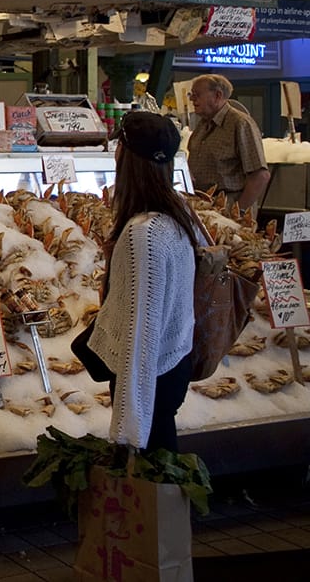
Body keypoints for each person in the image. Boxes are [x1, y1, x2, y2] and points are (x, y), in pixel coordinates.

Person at [85, 111, 199, 453]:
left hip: (152, 374)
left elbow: (141, 331)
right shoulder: (177, 213)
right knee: (163, 470)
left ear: (125, 156)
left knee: (148, 486)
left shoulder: (144, 232)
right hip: (172, 363)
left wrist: (127, 430)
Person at [186, 74, 269, 216]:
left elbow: (260, 176)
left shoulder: (240, 124)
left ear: (218, 95)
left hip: (229, 206)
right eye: (191, 94)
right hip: (202, 206)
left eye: (197, 95)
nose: (192, 99)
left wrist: (238, 211)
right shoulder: (202, 125)